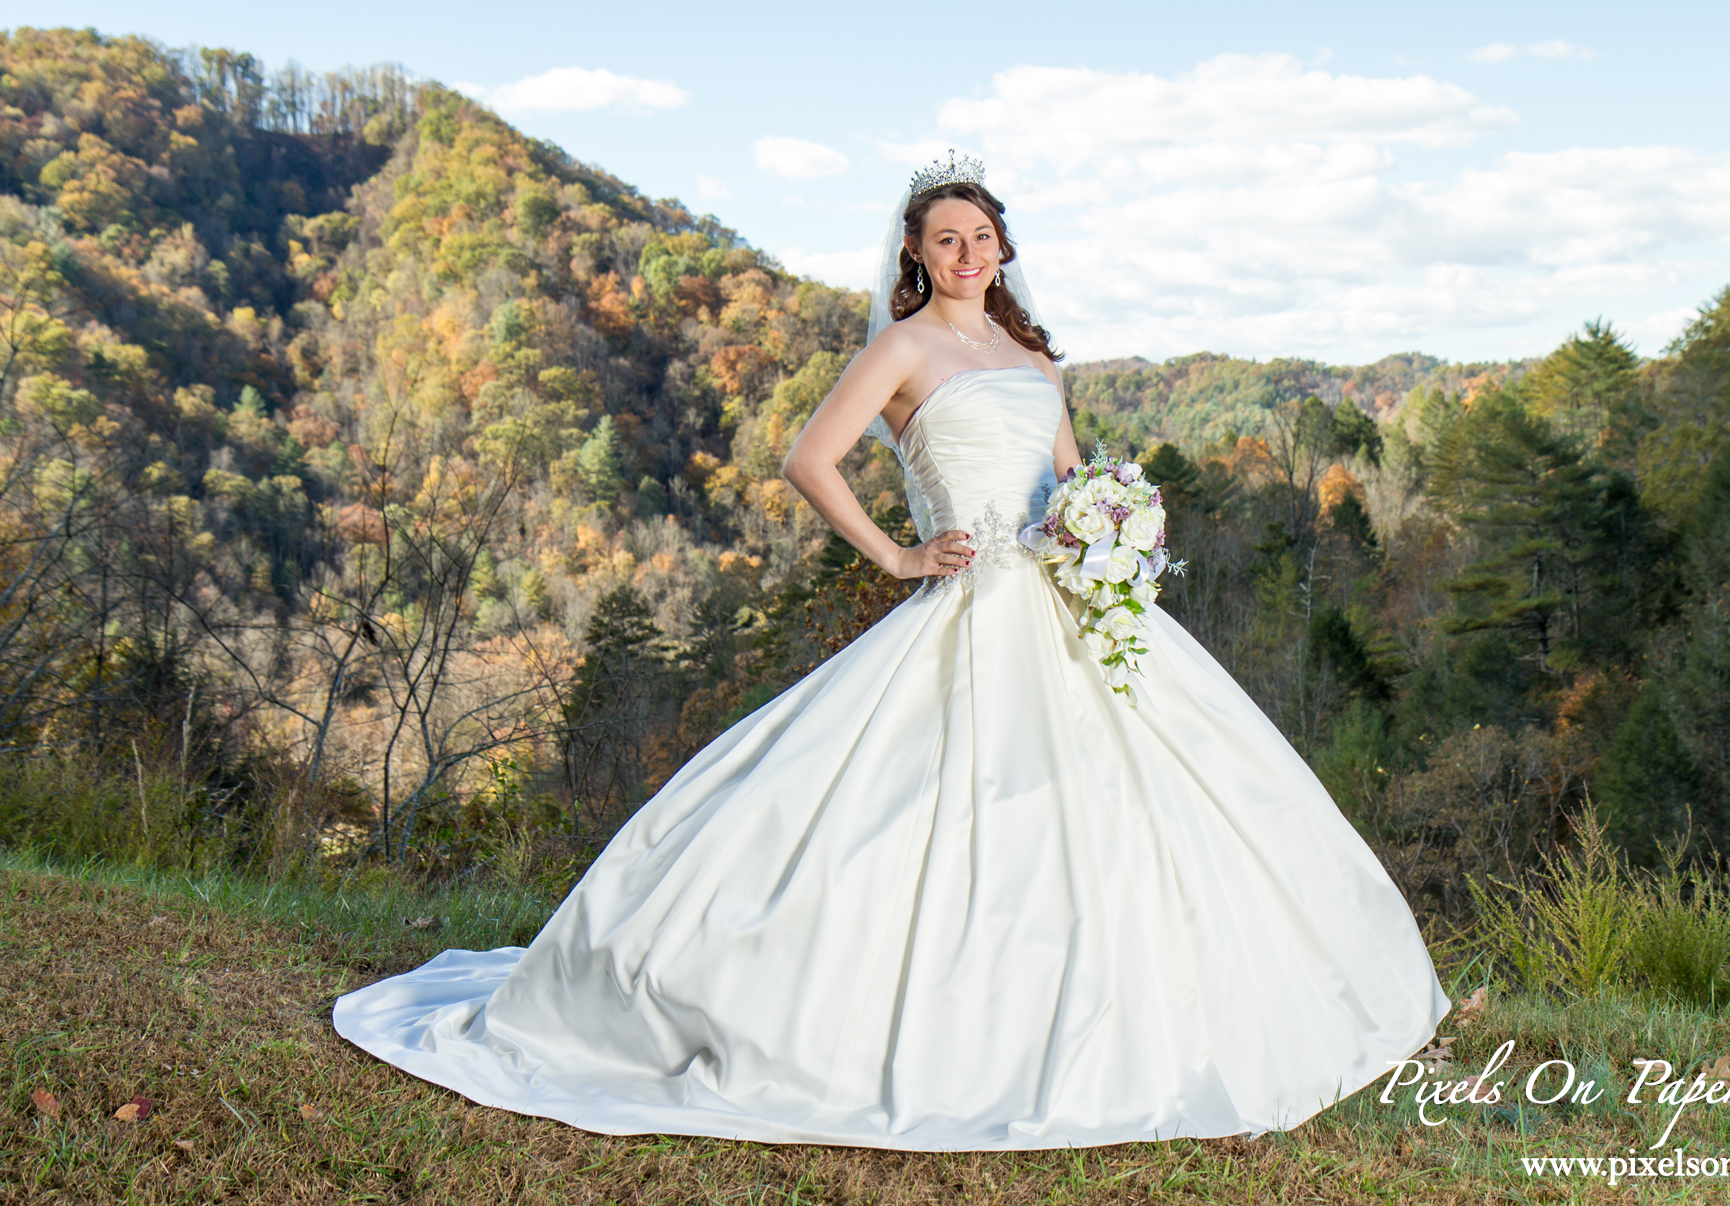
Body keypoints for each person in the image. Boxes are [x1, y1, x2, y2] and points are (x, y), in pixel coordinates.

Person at [333, 154, 1449, 1151]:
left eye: (981, 236)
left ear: (1002, 246)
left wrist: (1107, 529)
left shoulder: (1029, 353)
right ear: (915, 255)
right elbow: (809, 458)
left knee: (1140, 812)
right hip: (968, 600)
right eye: (943, 239)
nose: (965, 253)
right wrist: (898, 555)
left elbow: (1067, 480)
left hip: (1068, 604)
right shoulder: (903, 346)